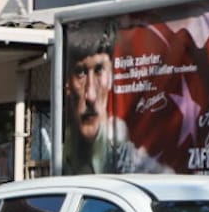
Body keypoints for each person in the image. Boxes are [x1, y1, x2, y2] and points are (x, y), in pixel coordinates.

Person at [60, 24, 158, 175]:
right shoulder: (58, 158)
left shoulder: (130, 162)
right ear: (67, 85)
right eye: (80, 73)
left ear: (111, 76)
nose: (90, 95)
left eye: (99, 71)